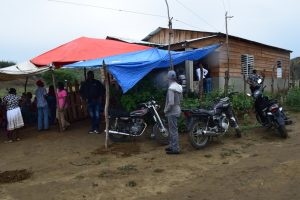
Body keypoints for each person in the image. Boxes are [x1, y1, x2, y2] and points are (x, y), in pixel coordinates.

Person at [164, 70, 183, 155]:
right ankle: (172, 146)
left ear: (168, 78)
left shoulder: (171, 88)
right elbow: (181, 100)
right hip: (177, 110)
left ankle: (175, 148)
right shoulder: (179, 87)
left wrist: (166, 110)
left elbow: (171, 102)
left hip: (172, 112)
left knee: (173, 131)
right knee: (173, 130)